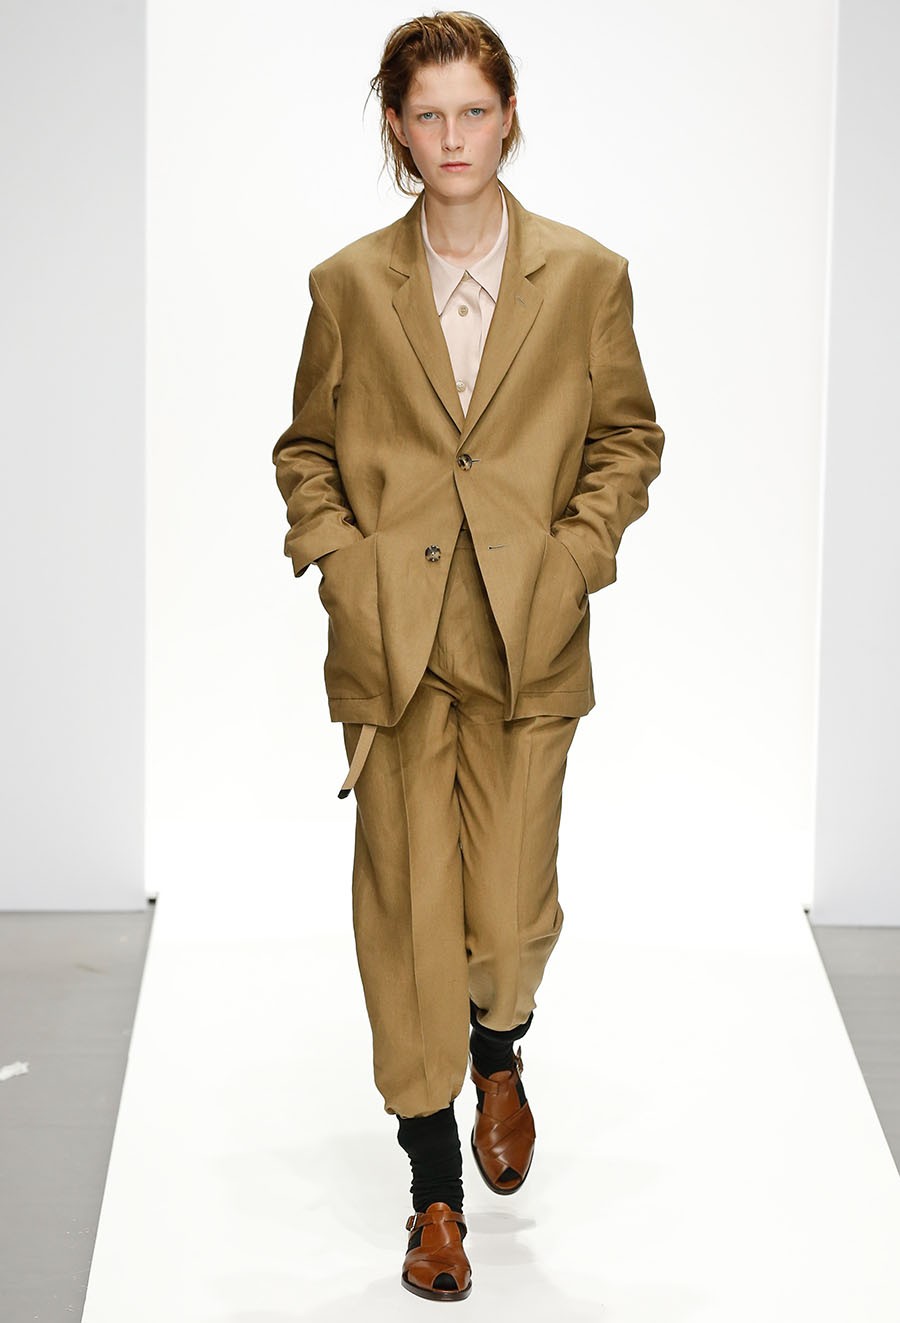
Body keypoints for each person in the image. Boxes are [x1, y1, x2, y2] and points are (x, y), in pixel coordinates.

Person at [272, 10, 664, 1303]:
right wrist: (339, 563)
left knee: (505, 912)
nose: (452, 137)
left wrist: (575, 557)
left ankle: (501, 1046)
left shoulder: (586, 276)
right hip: (395, 647)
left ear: (508, 119)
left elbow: (628, 437)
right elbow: (305, 450)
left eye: (473, 112)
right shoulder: (347, 285)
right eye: (428, 114)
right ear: (396, 127)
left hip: (526, 638)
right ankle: (433, 1191)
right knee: (407, 919)